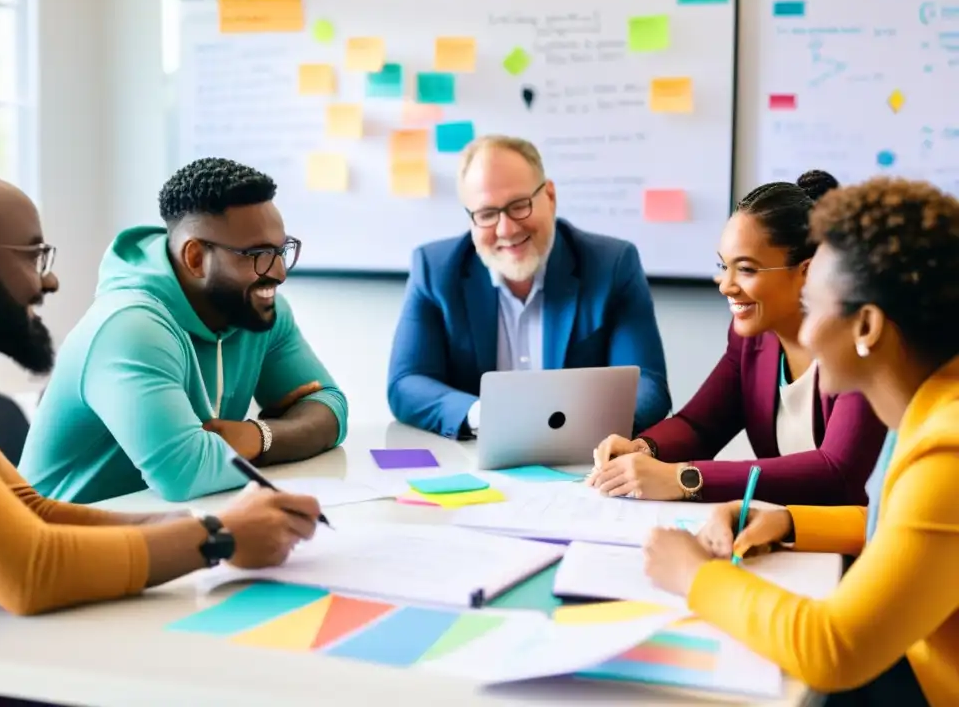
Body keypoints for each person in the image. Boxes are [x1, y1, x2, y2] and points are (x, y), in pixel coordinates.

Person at [0, 172, 321, 617]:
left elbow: (31, 510)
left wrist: (203, 527)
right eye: (33, 258)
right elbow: (30, 571)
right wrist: (218, 538)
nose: (51, 282)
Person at [643, 177, 959, 706]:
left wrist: (695, 576)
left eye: (813, 305)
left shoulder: (946, 451)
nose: (803, 334)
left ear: (866, 326)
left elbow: (834, 648)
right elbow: (903, 529)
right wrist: (789, 520)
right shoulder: (931, 408)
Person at [19, 158, 348, 503]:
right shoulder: (130, 327)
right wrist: (287, 437)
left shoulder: (260, 312)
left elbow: (330, 407)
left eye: (281, 250)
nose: (279, 272)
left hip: (176, 528)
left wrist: (257, 437)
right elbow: (187, 473)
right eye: (260, 254)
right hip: (68, 544)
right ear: (194, 258)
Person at [587, 171, 885, 504]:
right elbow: (701, 425)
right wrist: (643, 448)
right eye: (723, 266)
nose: (726, 285)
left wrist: (683, 478)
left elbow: (837, 472)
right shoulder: (753, 339)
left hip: (858, 543)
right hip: (783, 532)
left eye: (745, 269)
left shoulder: (859, 345)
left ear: (807, 271)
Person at [387, 135, 671, 439]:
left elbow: (649, 386)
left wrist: (569, 425)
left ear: (549, 197)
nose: (506, 229)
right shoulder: (435, 269)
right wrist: (485, 416)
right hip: (472, 460)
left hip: (582, 462)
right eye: (486, 214)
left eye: (519, 205)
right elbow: (407, 382)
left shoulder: (612, 265)